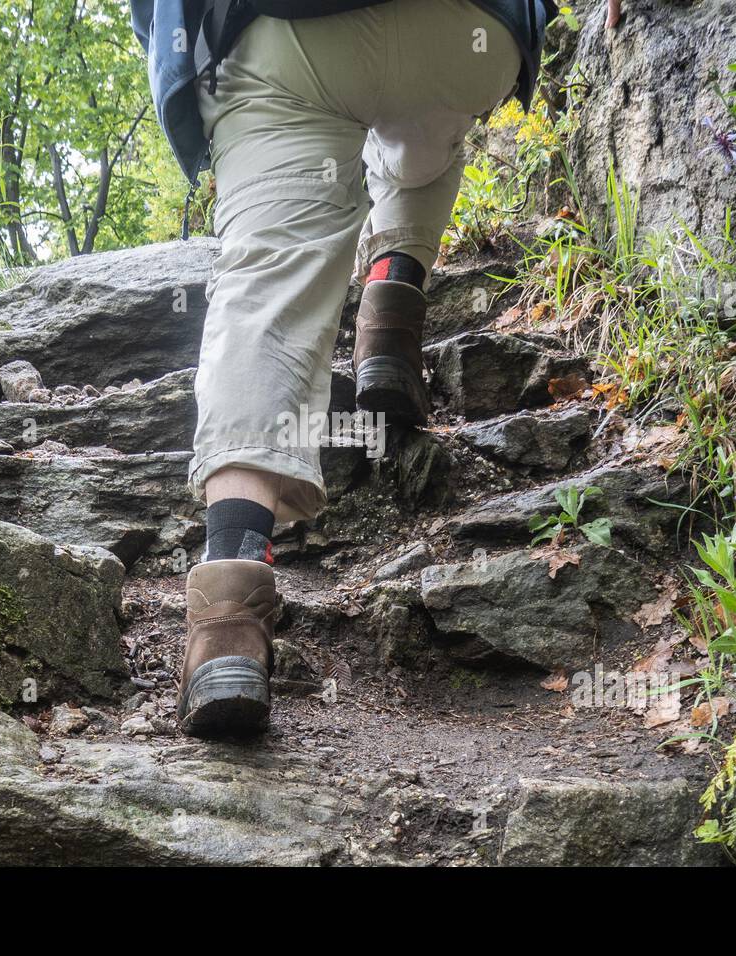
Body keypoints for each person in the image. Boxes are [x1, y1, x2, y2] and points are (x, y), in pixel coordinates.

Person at [131, 0, 551, 738]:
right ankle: (391, 300)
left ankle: (229, 610)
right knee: (426, 130)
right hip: (469, 31)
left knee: (267, 286)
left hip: (282, 38)